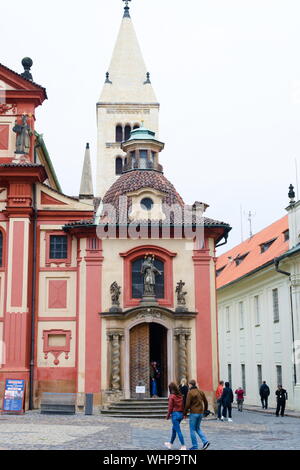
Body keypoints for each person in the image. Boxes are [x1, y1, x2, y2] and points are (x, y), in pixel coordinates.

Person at [184, 380, 210, 451]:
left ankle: (195, 446)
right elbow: (206, 401)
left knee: (192, 430)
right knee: (197, 428)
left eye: (188, 385)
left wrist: (185, 413)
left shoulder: (190, 392)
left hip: (194, 413)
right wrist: (205, 410)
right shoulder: (200, 392)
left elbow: (187, 404)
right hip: (200, 413)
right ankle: (205, 441)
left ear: (190, 385)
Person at [164, 382, 186, 450]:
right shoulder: (180, 396)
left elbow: (170, 407)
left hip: (175, 415)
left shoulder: (172, 396)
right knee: (174, 430)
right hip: (180, 414)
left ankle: (183, 446)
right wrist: (184, 414)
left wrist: (167, 416)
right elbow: (183, 405)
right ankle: (170, 444)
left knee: (178, 431)